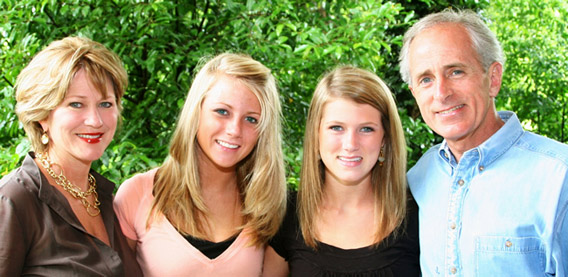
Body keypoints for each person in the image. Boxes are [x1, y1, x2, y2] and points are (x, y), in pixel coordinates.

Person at [399, 9, 568, 276]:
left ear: (493, 78)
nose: (441, 93)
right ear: (415, 93)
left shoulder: (559, 177)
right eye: (426, 79)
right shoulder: (419, 177)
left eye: (455, 72)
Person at [113, 52, 287, 276]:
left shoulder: (269, 206)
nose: (234, 130)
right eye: (222, 111)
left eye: (251, 119)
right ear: (197, 111)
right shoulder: (137, 194)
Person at [0, 37, 141, 276]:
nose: (95, 121)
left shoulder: (107, 198)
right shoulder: (13, 200)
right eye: (76, 104)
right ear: (42, 115)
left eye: (106, 104)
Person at [263, 66, 420, 276]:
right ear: (316, 134)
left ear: (385, 139)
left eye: (366, 129)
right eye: (336, 127)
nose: (350, 144)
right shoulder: (286, 215)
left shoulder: (418, 214)